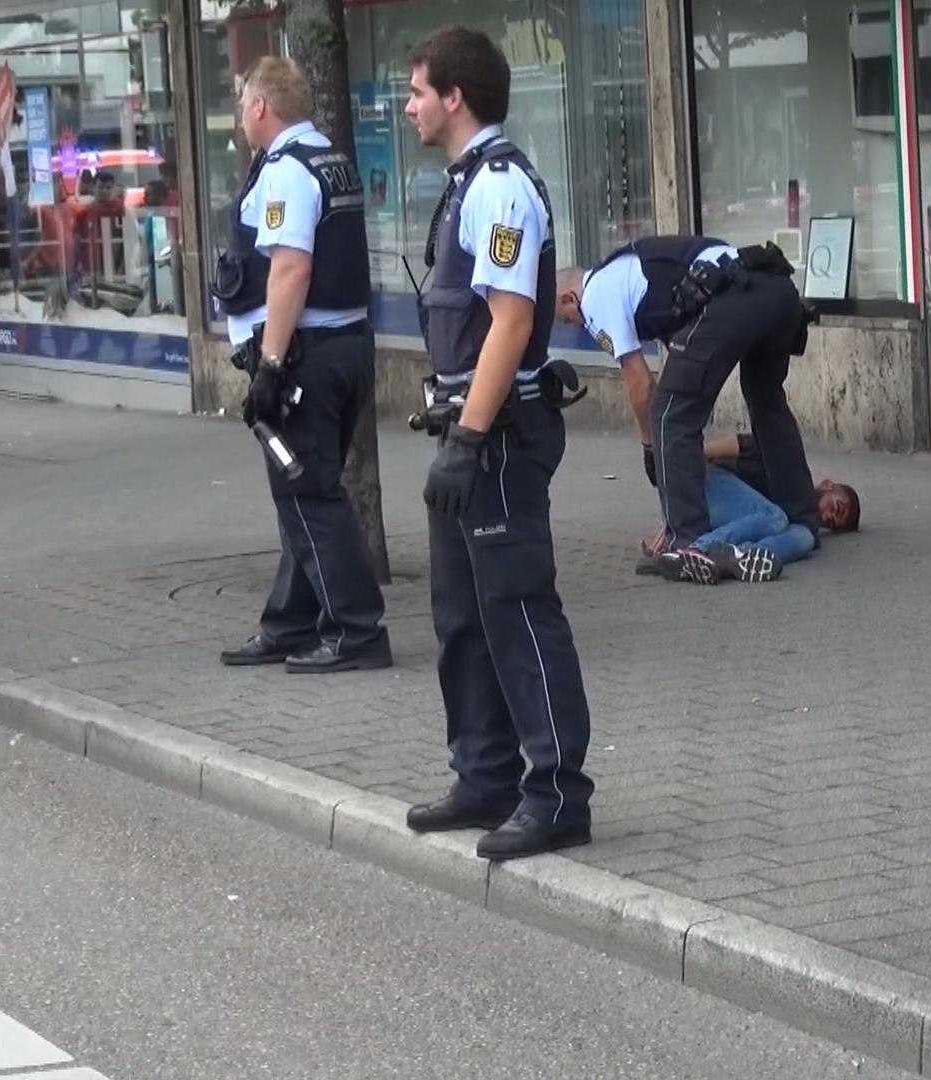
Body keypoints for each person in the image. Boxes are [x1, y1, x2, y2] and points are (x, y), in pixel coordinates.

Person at [400, 26, 594, 861]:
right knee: (463, 617)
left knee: (516, 608)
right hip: (467, 433)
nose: (407, 106)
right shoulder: (466, 184)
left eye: (416, 91)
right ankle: (483, 776)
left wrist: (472, 439)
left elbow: (514, 321)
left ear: (455, 96)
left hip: (499, 436)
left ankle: (555, 795)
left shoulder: (502, 188)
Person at [210, 56, 391, 675]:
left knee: (308, 493)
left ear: (261, 107)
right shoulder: (330, 160)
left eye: (242, 104)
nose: (240, 115)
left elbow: (291, 268)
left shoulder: (288, 169)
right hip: (344, 350)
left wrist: (268, 365)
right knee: (303, 490)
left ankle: (357, 631)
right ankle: (289, 624)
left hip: (305, 362)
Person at [554, 232, 819, 586]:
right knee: (766, 400)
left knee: (668, 414)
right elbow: (688, 358)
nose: (577, 324)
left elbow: (640, 383)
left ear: (570, 299)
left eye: (568, 318)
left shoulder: (597, 295)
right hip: (777, 291)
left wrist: (650, 447)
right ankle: (801, 513)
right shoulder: (638, 272)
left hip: (733, 299)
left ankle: (686, 542)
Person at [639, 432, 862, 584]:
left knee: (805, 538)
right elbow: (707, 452)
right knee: (775, 517)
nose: (829, 516)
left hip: (722, 523)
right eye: (837, 508)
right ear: (827, 485)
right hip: (706, 485)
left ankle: (733, 559)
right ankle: (697, 549)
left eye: (832, 523)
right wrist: (677, 511)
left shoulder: (806, 521)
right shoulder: (789, 465)